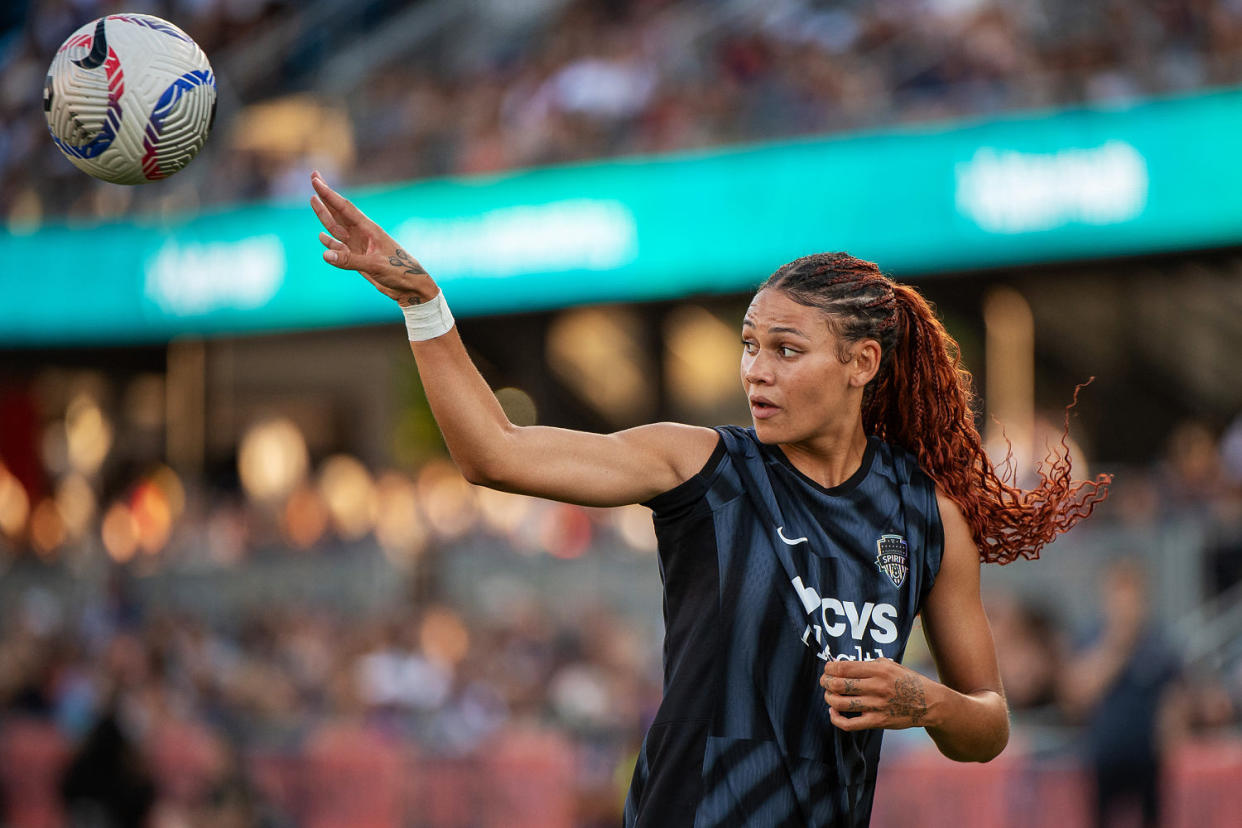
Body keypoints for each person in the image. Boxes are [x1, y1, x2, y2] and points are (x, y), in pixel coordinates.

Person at [308, 171, 1111, 826]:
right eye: (750, 347)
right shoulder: (702, 464)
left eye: (786, 350)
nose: (755, 371)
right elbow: (494, 452)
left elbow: (989, 724)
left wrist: (926, 701)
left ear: (863, 363)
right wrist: (422, 302)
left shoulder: (926, 516)